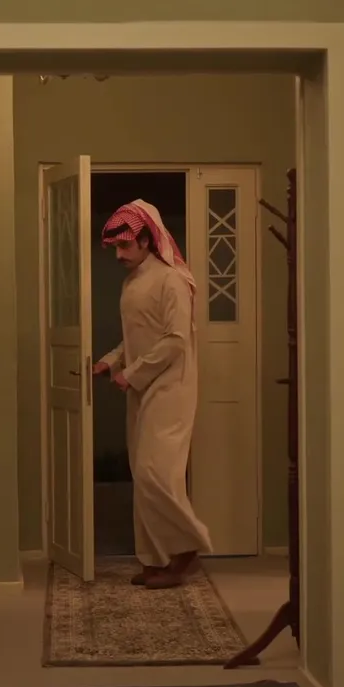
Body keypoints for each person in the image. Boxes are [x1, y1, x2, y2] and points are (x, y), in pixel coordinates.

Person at [92, 199, 212, 589]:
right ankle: (156, 559)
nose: (119, 254)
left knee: (155, 472)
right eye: (115, 247)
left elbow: (175, 341)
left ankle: (187, 548)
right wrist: (110, 362)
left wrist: (132, 374)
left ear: (147, 239)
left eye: (125, 245)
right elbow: (135, 338)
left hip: (171, 388)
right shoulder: (132, 282)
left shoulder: (172, 280)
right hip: (142, 387)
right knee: (141, 475)